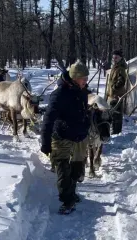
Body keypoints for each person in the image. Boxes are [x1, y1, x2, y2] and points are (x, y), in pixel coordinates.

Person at [40, 60, 90, 215]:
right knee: (63, 169)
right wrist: (45, 142)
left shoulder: (82, 90)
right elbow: (48, 119)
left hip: (80, 136)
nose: (86, 81)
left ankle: (72, 193)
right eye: (83, 79)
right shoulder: (59, 94)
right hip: (62, 136)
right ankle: (67, 201)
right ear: (75, 78)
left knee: (77, 169)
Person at [106, 49, 129, 134]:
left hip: (117, 96)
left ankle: (117, 133)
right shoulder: (114, 67)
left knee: (117, 116)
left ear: (120, 58)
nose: (114, 59)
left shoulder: (121, 68)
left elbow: (121, 81)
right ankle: (114, 131)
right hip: (112, 95)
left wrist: (113, 87)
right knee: (112, 115)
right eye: (113, 57)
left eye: (116, 57)